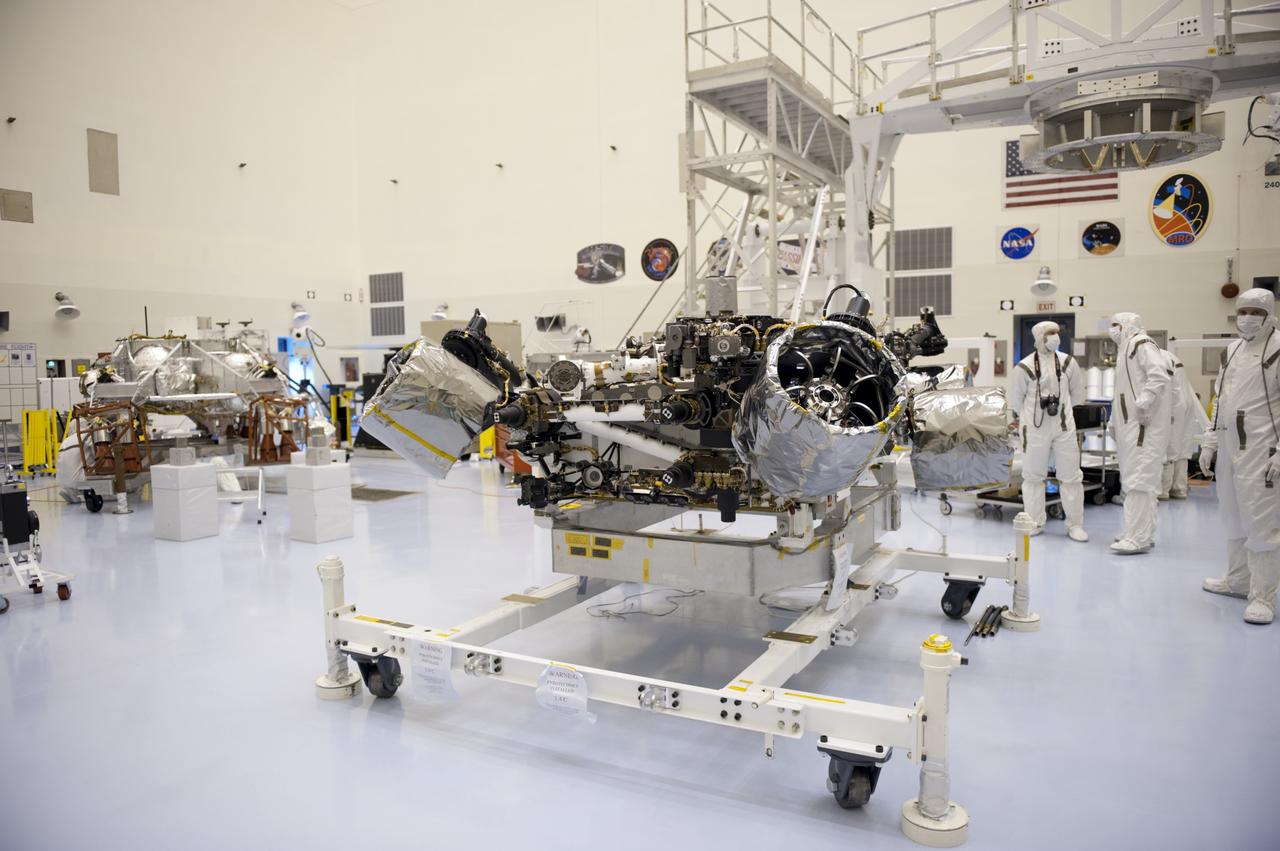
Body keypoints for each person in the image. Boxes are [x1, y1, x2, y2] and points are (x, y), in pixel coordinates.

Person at [1200, 288, 1280, 625]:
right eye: (1242, 311)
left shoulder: (1277, 348)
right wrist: (1210, 442)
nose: (1247, 318)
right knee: (1232, 514)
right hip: (1228, 444)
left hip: (1262, 446)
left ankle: (1264, 596)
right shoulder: (1231, 350)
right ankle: (1238, 580)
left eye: (1255, 311)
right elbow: (1220, 398)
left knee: (1261, 521)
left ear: (1269, 313)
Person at [1009, 320, 1088, 541]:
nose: (1055, 336)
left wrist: (1064, 418)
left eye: (1056, 332)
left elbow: (1077, 396)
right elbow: (1015, 401)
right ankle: (1034, 521)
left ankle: (1075, 524)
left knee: (1071, 477)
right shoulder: (1024, 367)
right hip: (1034, 430)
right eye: (1049, 333)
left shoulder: (1068, 363)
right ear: (1039, 337)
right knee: (1033, 477)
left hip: (1063, 428)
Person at [1108, 312, 1172, 554]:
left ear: (1127, 326)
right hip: (1130, 424)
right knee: (1135, 479)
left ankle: (1138, 537)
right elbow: (1121, 392)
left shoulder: (1141, 344)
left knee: (1139, 479)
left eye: (1116, 325)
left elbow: (1158, 375)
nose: (1112, 330)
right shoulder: (1126, 349)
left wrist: (1145, 402)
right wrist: (1115, 421)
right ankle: (1139, 530)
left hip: (1144, 425)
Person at [1159, 349, 1210, 500]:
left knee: (1169, 448)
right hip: (1186, 402)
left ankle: (1162, 490)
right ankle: (1179, 489)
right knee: (1182, 448)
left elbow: (1163, 385)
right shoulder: (1170, 355)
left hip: (1174, 406)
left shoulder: (1157, 357)